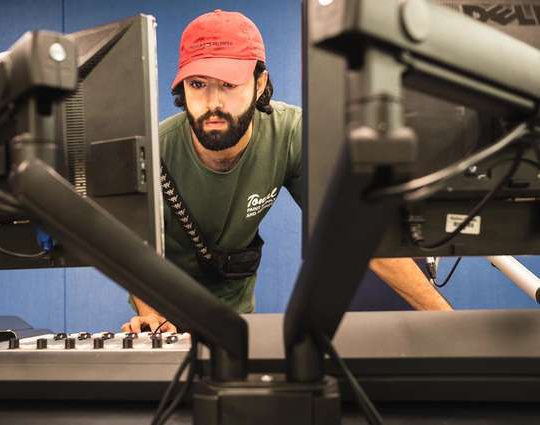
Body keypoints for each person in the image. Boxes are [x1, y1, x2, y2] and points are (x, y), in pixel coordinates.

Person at [122, 10, 451, 334]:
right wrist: (154, 321)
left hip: (235, 314)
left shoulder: (292, 133)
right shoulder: (154, 150)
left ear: (259, 81)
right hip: (162, 310)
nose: (213, 103)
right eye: (197, 84)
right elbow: (133, 249)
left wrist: (448, 324)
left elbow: (356, 233)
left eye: (228, 84)